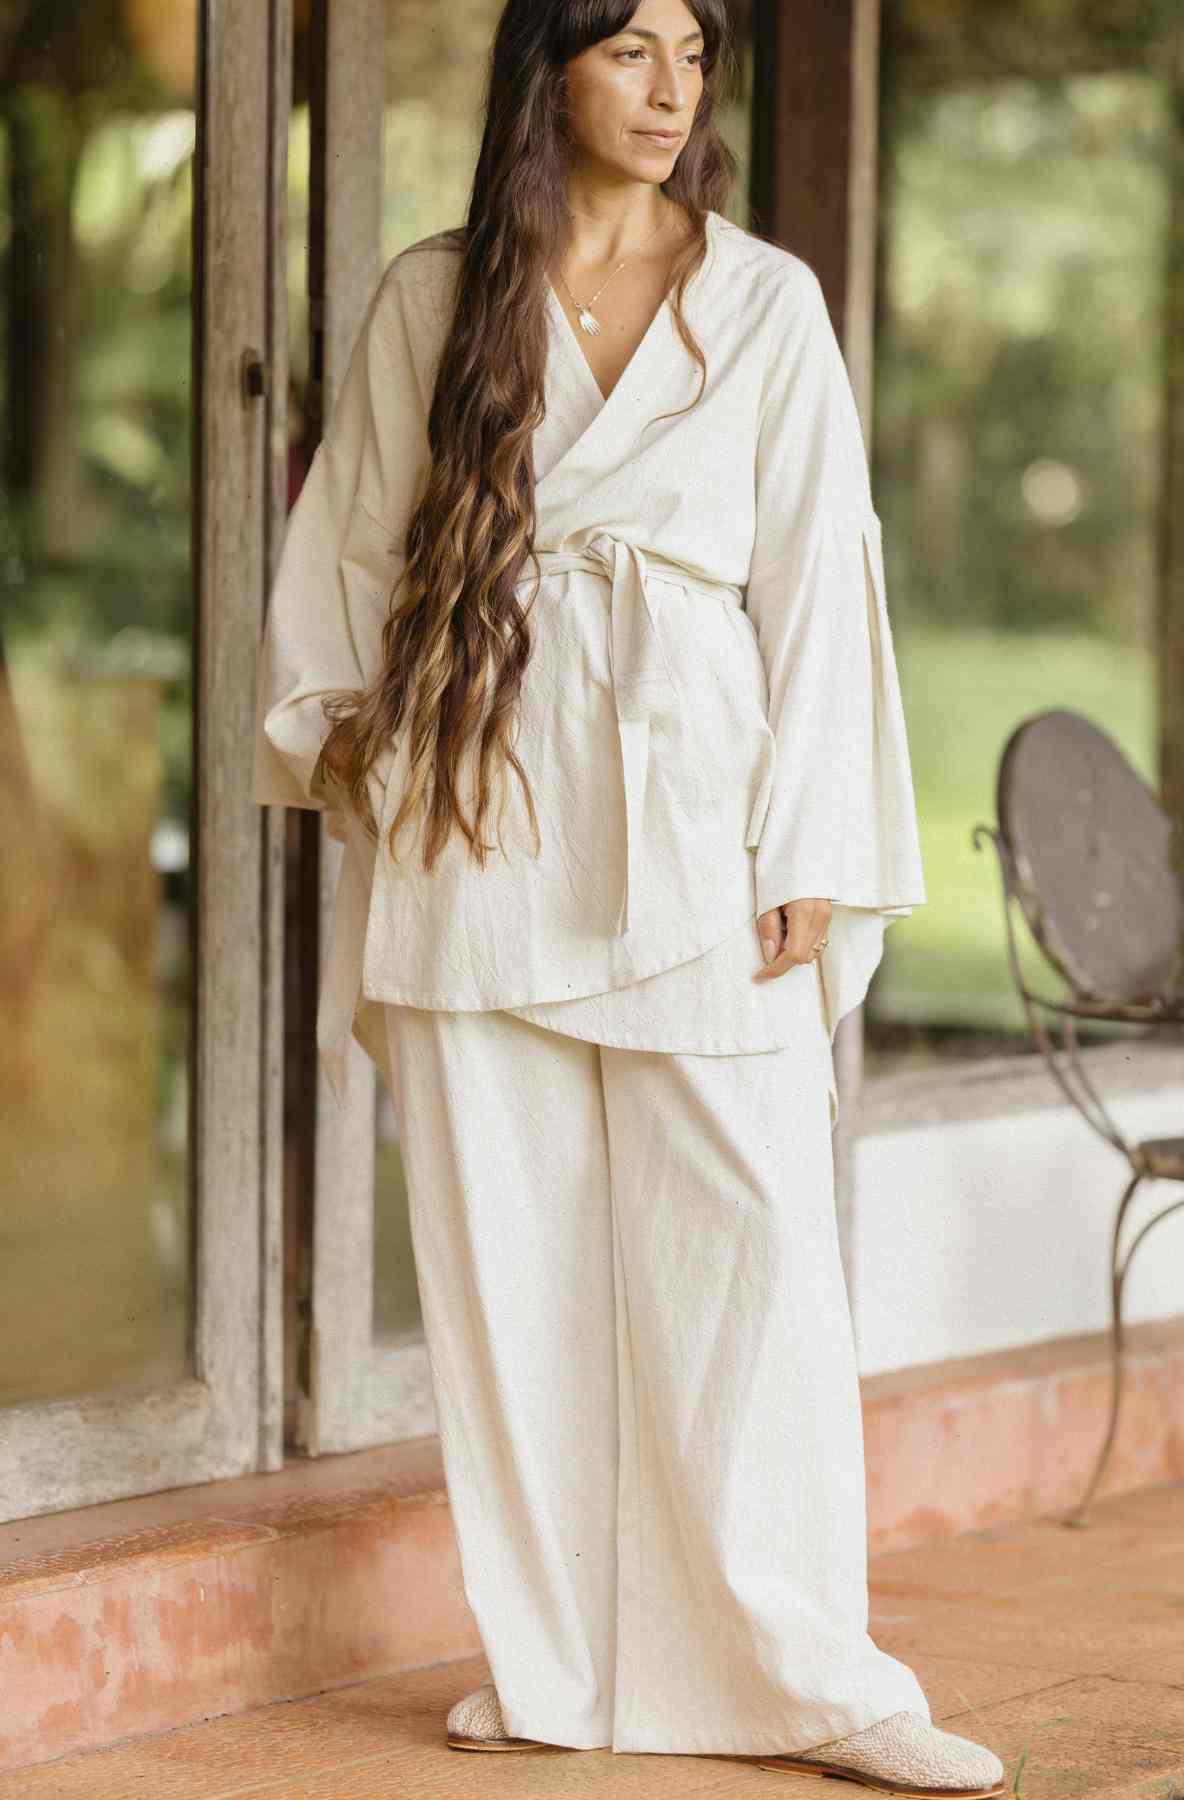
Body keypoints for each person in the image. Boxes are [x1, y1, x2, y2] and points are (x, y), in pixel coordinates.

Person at [252, 1, 1006, 1792]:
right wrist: (360, 746)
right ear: (549, 70)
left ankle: (811, 1677)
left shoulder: (763, 300)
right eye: (631, 49)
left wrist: (815, 840)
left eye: (696, 52)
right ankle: (562, 1671)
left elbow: (826, 584)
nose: (674, 92)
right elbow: (353, 546)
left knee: (745, 1263)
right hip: (481, 808)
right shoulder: (429, 299)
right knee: (510, 1270)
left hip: (697, 814)